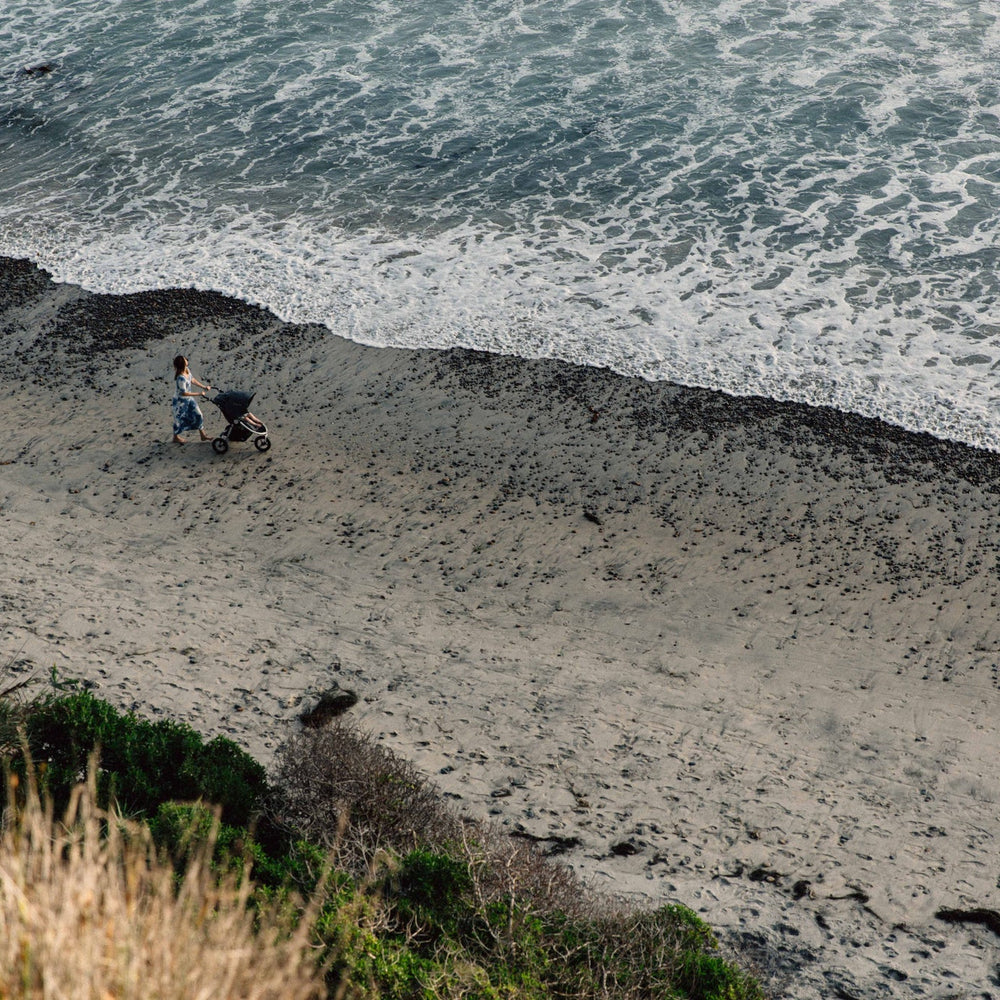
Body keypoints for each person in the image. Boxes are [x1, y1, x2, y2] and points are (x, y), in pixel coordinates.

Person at [171, 355, 213, 443]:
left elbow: (192, 380)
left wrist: (203, 387)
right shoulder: (180, 378)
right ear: (182, 363)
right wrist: (199, 394)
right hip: (180, 402)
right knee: (179, 419)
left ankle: (203, 435)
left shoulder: (187, 370)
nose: (186, 359)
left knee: (199, 415)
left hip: (189, 399)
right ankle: (175, 437)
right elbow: (183, 393)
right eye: (185, 359)